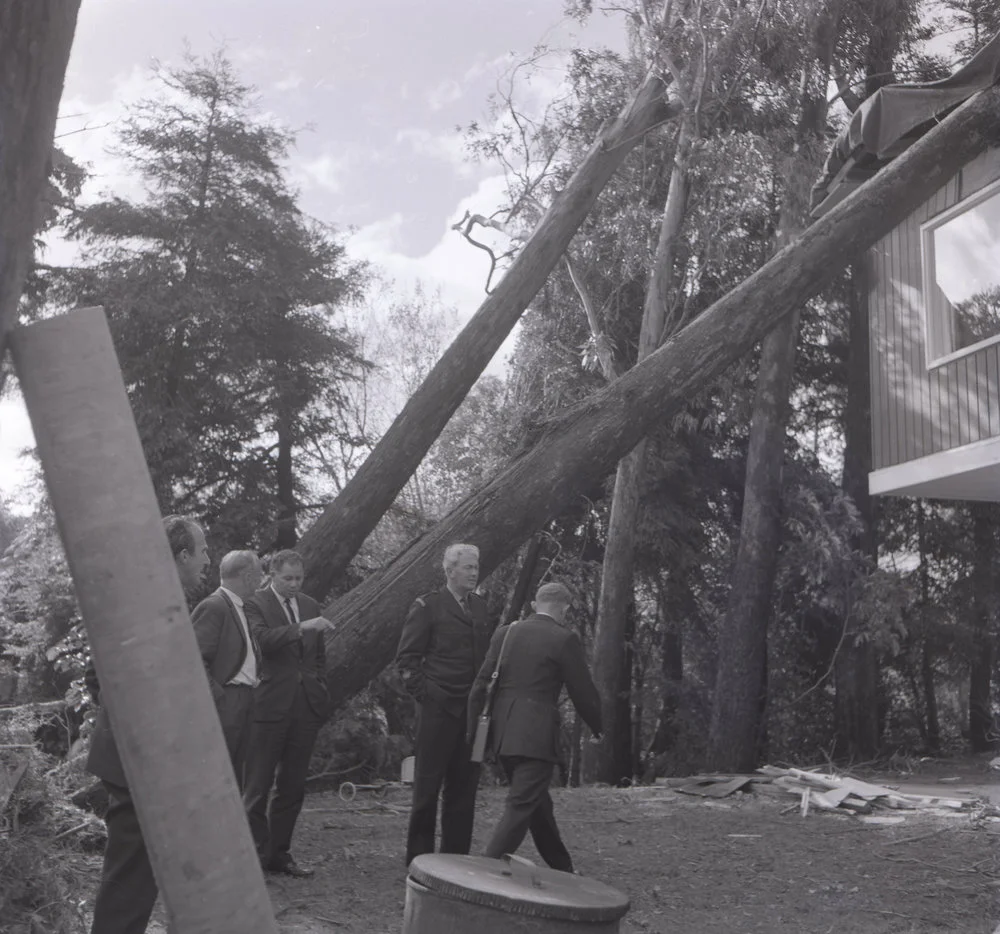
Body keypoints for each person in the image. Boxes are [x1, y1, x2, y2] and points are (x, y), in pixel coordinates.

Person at [87, 515, 211, 934]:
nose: (208, 560)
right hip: (139, 763)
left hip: (149, 761)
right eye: (203, 551)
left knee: (142, 879)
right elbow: (113, 677)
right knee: (128, 885)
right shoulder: (150, 602)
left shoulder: (154, 595)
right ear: (181, 555)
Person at [467, 581, 602, 874]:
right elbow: (583, 691)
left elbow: (479, 686)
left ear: (534, 605)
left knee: (538, 805)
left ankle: (563, 871)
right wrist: (599, 726)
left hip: (503, 735)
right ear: (564, 608)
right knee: (520, 804)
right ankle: (483, 872)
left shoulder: (505, 633)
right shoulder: (563, 639)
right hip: (535, 735)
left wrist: (474, 733)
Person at [395, 542, 495, 865]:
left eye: (476, 567)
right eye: (468, 567)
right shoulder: (428, 606)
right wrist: (429, 696)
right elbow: (407, 661)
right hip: (437, 711)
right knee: (426, 789)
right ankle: (420, 863)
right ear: (450, 570)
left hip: (472, 715)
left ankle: (456, 864)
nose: (474, 572)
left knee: (463, 792)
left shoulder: (480, 607)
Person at [243, 549, 333, 877]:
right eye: (287, 579)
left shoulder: (310, 605)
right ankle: (253, 857)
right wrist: (301, 628)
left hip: (305, 706)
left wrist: (319, 688)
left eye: (299, 578)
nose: (294, 584)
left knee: (292, 787)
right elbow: (262, 641)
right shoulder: (255, 604)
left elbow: (318, 657)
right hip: (268, 705)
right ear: (272, 574)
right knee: (257, 786)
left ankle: (279, 854)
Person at [190, 549, 263, 787]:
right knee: (219, 778)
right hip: (227, 702)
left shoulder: (239, 606)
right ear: (247, 575)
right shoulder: (214, 606)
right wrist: (219, 700)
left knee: (236, 778)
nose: (261, 580)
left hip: (245, 700)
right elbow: (194, 661)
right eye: (259, 574)